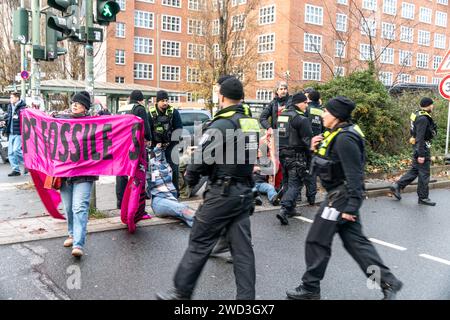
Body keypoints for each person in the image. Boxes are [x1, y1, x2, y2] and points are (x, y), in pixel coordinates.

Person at [286, 96, 403, 300]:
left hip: (339, 199)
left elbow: (355, 175)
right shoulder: (339, 133)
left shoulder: (345, 139)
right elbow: (327, 163)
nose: (322, 114)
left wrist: (351, 207)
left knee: (316, 240)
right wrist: (313, 148)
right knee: (356, 245)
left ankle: (310, 288)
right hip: (341, 197)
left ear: (337, 116)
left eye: (326, 112)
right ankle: (387, 282)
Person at [156, 77, 259, 300]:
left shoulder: (222, 123)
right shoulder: (249, 122)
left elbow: (201, 158)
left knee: (200, 240)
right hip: (243, 193)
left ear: (221, 96)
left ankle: (181, 292)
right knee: (242, 252)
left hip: (222, 193)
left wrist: (190, 177)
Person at [58, 91, 99, 257]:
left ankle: (78, 244)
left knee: (79, 207)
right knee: (68, 208)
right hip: (65, 172)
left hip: (85, 173)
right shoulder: (61, 120)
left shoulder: (94, 123)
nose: (74, 104)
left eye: (79, 103)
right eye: (73, 102)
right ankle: (72, 234)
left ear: (85, 107)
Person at [390, 97, 437, 206]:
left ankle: (397, 186)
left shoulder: (416, 113)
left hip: (417, 146)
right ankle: (423, 198)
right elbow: (420, 137)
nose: (433, 107)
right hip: (422, 148)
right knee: (424, 174)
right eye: (432, 105)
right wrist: (421, 154)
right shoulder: (423, 118)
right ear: (429, 105)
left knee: (415, 170)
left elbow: (413, 131)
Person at [275, 92, 312, 225]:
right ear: (298, 103)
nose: (307, 105)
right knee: (295, 184)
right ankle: (284, 209)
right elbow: (308, 141)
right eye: (305, 103)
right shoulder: (301, 119)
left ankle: (291, 209)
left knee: (286, 183)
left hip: (283, 154)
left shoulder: (283, 116)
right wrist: (310, 158)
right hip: (297, 155)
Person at [116, 90, 152, 209]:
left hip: (121, 145)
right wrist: (149, 139)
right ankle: (135, 204)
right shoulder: (139, 108)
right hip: (135, 146)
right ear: (140, 100)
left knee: (121, 174)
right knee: (137, 174)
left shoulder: (121, 108)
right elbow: (145, 129)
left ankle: (121, 203)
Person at [147, 144, 195, 227]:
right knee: (183, 209)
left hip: (171, 199)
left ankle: (207, 231)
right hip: (159, 200)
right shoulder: (149, 167)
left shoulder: (166, 163)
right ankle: (206, 225)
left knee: (185, 216)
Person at [148, 90, 183, 197]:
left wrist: (171, 143)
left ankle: (175, 193)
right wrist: (153, 144)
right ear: (157, 101)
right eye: (163, 101)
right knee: (155, 171)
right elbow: (148, 129)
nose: (165, 103)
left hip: (171, 146)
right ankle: (156, 193)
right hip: (155, 147)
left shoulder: (173, 112)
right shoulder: (150, 112)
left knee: (174, 169)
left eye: (167, 100)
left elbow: (179, 128)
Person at [300, 89, 324, 205]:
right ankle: (311, 197)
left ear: (308, 98)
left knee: (301, 169)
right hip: (317, 144)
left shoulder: (306, 109)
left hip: (305, 143)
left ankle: (298, 196)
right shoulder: (321, 111)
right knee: (312, 171)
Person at [4, 92, 27, 177]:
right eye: (10, 97)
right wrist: (5, 121)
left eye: (12, 97)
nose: (10, 99)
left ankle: (28, 164)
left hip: (19, 132)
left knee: (16, 150)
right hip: (10, 132)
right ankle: (16, 170)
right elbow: (9, 117)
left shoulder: (23, 107)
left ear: (17, 98)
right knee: (10, 153)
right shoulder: (10, 106)